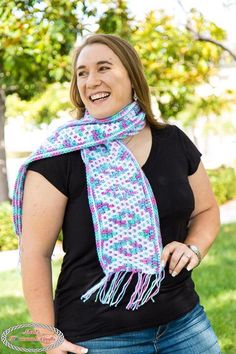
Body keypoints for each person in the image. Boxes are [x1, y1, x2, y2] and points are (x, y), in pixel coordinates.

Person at [12, 34, 222, 354]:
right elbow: (34, 253)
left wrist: (193, 247)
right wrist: (48, 339)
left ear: (132, 76)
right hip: (99, 336)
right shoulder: (60, 157)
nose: (91, 81)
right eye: (82, 73)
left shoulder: (173, 141)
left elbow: (206, 211)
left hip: (184, 323)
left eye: (104, 68)